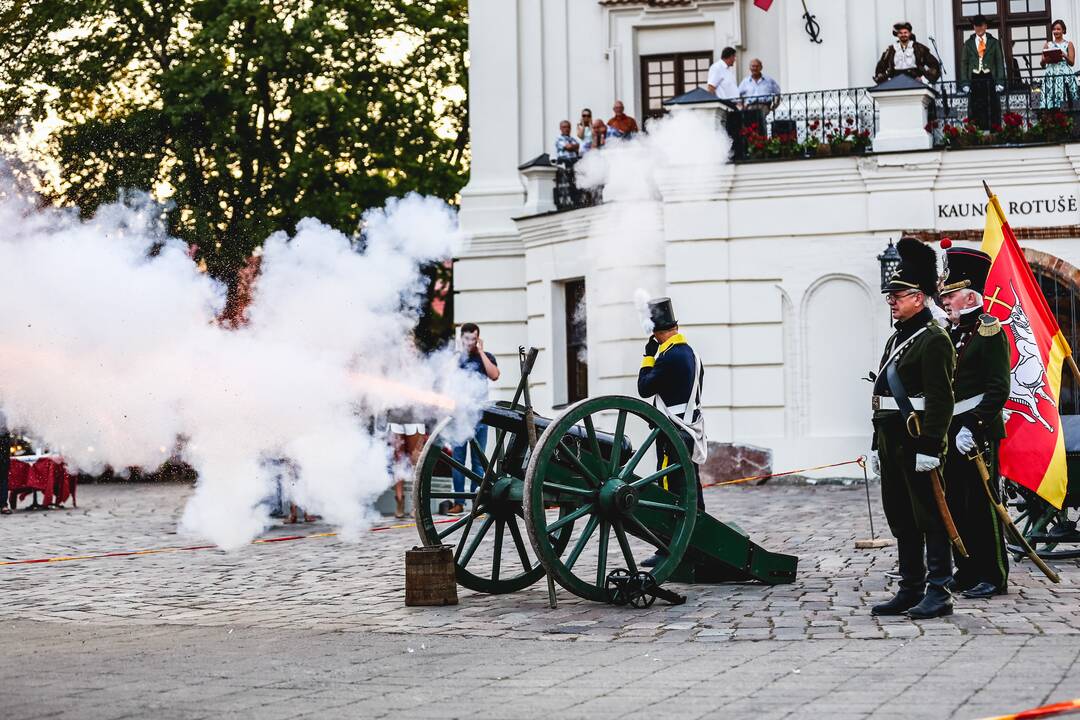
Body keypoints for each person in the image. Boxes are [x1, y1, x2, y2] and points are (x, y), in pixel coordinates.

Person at [869, 238, 956, 619]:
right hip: (893, 442)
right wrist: (878, 445)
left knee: (930, 515)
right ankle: (910, 587)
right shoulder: (897, 337)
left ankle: (939, 591)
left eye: (898, 295)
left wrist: (930, 446)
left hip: (918, 441)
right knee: (902, 516)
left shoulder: (933, 339)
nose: (892, 300)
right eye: (891, 295)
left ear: (919, 298)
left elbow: (940, 399)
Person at [939, 247, 1011, 599]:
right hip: (951, 431)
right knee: (955, 503)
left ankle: (993, 574)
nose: (946, 301)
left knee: (983, 504)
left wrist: (974, 426)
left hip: (977, 432)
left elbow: (998, 389)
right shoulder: (950, 335)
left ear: (970, 295)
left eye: (950, 295)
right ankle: (965, 569)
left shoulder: (989, 332)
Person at [637, 298, 707, 567]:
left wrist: (647, 356)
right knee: (690, 487)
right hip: (689, 428)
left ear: (656, 333)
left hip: (672, 432)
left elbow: (643, 388)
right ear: (675, 326)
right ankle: (696, 540)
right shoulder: (691, 354)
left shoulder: (667, 357)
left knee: (670, 490)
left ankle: (670, 547)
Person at [447, 323, 499, 515]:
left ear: (478, 339)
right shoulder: (456, 359)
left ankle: (477, 501)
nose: (470, 342)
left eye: (473, 339)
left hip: (479, 417)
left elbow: (494, 375)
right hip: (459, 416)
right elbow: (446, 378)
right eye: (467, 338)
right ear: (462, 338)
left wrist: (481, 352)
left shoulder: (485, 357)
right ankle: (459, 503)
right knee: (458, 462)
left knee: (478, 462)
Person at [960, 15, 1006, 131]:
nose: (978, 28)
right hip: (974, 78)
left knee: (992, 107)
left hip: (990, 77)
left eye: (981, 25)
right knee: (975, 107)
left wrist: (1000, 81)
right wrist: (965, 83)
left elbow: (999, 62)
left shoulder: (994, 42)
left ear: (985, 26)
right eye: (976, 26)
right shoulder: (968, 43)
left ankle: (994, 132)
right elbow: (964, 63)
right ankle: (976, 133)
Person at [387, 407, 427, 519]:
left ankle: (416, 504)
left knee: (416, 461)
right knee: (398, 461)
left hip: (416, 416)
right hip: (394, 416)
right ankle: (400, 502)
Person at [873, 22, 941, 85]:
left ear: (909, 33)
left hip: (915, 82)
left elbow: (935, 65)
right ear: (897, 35)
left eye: (905, 32)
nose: (903, 35)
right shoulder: (891, 50)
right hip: (896, 82)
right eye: (900, 33)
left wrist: (923, 79)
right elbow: (880, 67)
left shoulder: (919, 48)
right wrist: (886, 80)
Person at [1040, 20, 1079, 110]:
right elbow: (1042, 64)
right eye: (1054, 29)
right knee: (1051, 105)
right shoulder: (1047, 44)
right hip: (1051, 75)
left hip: (1064, 75)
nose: (1056, 31)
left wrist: (1064, 55)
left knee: (1066, 102)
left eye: (1058, 29)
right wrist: (1044, 60)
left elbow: (1072, 62)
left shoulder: (1068, 44)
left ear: (1063, 31)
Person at [0, 411, 10, 515]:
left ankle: (3, 504)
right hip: (4, 440)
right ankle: (3, 505)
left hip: (3, 441)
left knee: (3, 476)